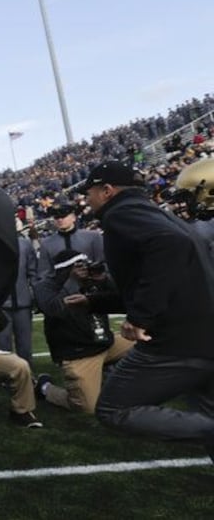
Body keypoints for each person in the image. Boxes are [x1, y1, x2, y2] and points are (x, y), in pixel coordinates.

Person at [80, 161, 214, 458]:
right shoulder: (155, 213)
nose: (85, 199)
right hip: (202, 334)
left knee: (113, 408)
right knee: (205, 418)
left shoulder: (121, 212)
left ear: (106, 190)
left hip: (179, 342)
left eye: (88, 192)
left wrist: (140, 316)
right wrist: (94, 301)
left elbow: (171, 246)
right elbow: (164, 275)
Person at [34, 250, 134, 413]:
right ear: (65, 269)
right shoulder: (47, 287)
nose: (84, 269)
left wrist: (103, 279)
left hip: (105, 343)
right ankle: (44, 387)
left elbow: (122, 297)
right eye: (78, 265)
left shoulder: (91, 282)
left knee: (148, 338)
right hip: (79, 353)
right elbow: (53, 309)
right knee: (87, 406)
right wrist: (73, 280)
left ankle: (115, 377)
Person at [0, 233, 38, 363]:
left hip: (23, 301)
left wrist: (33, 295)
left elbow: (33, 272)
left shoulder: (25, 244)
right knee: (3, 344)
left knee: (25, 344)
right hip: (1, 304)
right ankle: (5, 376)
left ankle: (27, 375)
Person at [37, 202, 103, 282]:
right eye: (56, 217)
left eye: (63, 216)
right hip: (63, 290)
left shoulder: (93, 236)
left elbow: (103, 262)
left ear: (73, 217)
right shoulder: (46, 244)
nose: (60, 220)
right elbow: (45, 274)